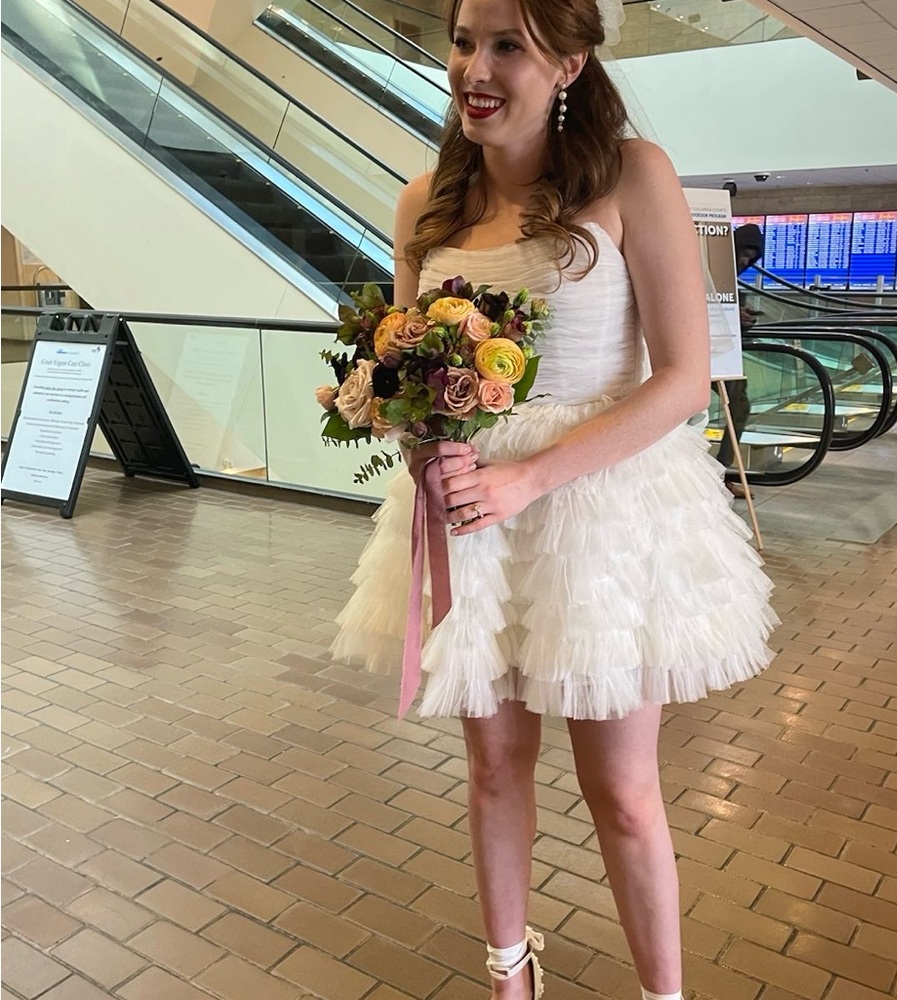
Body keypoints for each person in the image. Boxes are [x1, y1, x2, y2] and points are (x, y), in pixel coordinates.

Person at [331, 1, 777, 997]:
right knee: (492, 768)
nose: (472, 70)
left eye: (505, 47)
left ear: (570, 60)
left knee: (620, 789)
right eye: (459, 42)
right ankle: (509, 974)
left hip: (597, 506)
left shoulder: (633, 176)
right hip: (467, 517)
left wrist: (529, 473)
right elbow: (408, 365)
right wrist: (414, 440)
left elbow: (681, 379)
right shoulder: (424, 203)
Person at [716, 223, 763, 496]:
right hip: (700, 355)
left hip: (722, 355)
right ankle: (717, 475)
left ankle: (720, 474)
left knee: (739, 406)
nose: (744, 262)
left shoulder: (731, 279)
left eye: (750, 258)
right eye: (741, 255)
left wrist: (740, 315)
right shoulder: (710, 269)